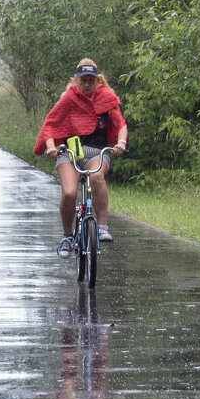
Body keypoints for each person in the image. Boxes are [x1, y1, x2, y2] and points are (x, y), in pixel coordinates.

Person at [33, 59, 129, 257]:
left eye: (90, 80)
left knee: (97, 178)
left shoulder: (106, 98)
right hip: (69, 154)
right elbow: (50, 125)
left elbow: (121, 124)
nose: (86, 84)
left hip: (97, 152)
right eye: (82, 80)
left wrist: (121, 143)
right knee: (69, 193)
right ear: (76, 80)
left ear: (97, 80)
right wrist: (50, 147)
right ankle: (67, 236)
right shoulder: (68, 98)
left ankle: (102, 226)